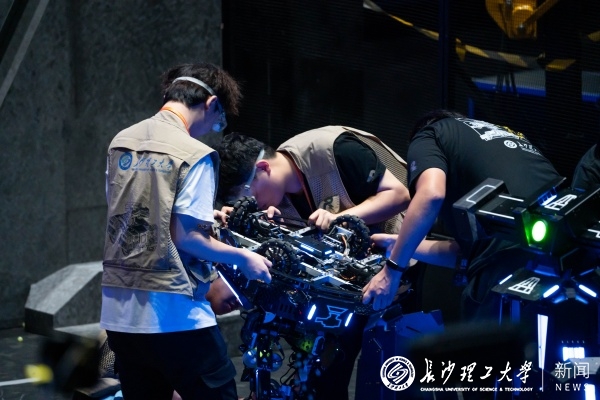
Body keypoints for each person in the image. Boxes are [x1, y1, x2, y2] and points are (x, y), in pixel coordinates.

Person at [100, 62, 272, 400]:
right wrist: (244, 257)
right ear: (211, 104)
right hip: (174, 313)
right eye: (218, 120)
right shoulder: (194, 153)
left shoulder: (121, 141)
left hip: (119, 312)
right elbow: (186, 237)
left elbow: (133, 211)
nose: (212, 129)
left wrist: (205, 215)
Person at [213, 126, 411, 400]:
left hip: (397, 263)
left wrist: (341, 218)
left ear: (263, 168)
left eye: (250, 195)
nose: (253, 203)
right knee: (326, 372)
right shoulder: (278, 198)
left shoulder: (333, 150)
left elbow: (399, 195)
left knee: (390, 368)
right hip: (343, 285)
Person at [362, 110, 562, 322]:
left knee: (494, 341)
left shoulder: (429, 133)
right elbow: (466, 254)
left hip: (504, 261)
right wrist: (397, 246)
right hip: (564, 250)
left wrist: (392, 271)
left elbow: (431, 195)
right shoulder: (505, 136)